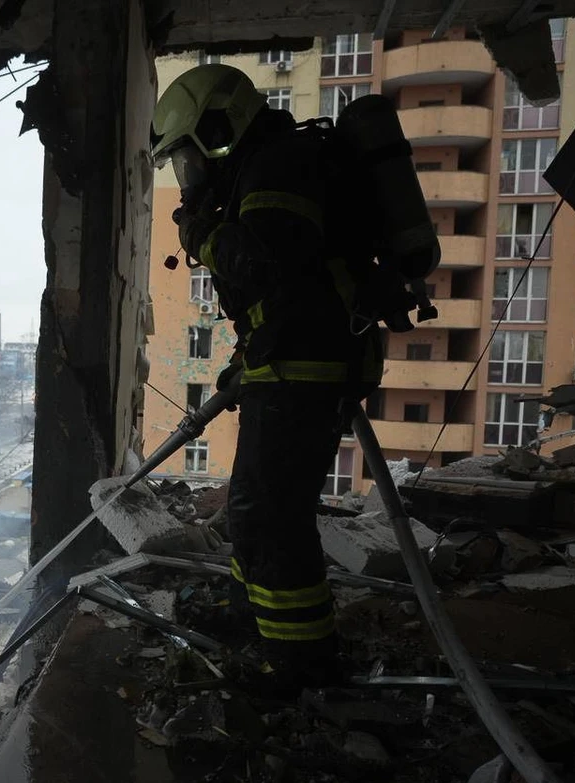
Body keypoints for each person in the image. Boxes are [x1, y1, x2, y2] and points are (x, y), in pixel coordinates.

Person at [150, 64, 432, 691]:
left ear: (219, 131)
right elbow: (288, 287)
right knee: (255, 511)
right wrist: (251, 355)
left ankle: (301, 664)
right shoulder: (272, 164)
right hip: (294, 357)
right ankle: (257, 615)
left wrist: (203, 235)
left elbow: (267, 265)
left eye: (187, 160)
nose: (186, 178)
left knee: (273, 516)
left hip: (310, 363)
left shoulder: (278, 166)